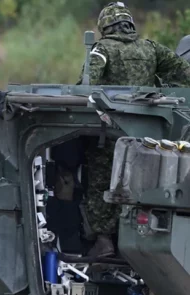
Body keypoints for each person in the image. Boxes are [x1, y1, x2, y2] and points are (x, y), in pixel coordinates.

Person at [77, 2, 190, 257]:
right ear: (129, 24)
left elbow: (86, 84)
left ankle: (104, 239)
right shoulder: (151, 48)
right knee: (138, 184)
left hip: (110, 132)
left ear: (105, 26)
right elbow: (184, 74)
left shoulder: (102, 49)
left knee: (101, 182)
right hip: (149, 133)